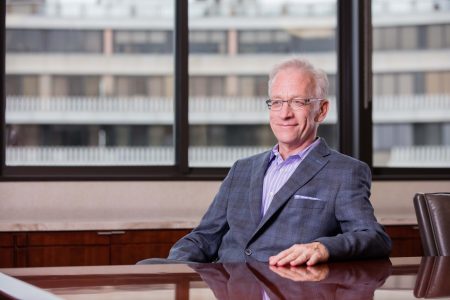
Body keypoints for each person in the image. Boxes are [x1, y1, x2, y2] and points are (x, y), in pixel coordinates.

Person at [167, 57, 391, 266]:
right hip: (233, 290)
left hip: (290, 290)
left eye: (297, 102)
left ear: (321, 111)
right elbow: (204, 238)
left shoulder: (345, 172)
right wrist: (171, 270)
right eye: (277, 102)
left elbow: (374, 238)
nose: (284, 113)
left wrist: (324, 248)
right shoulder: (241, 170)